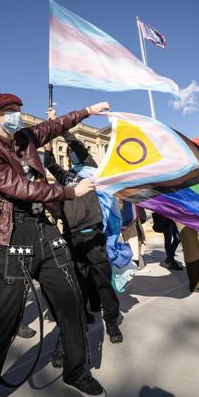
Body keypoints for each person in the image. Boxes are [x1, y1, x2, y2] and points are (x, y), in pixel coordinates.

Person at [0, 94, 110, 397]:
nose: (17, 117)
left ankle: (76, 370)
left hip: (44, 228)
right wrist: (68, 191)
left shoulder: (27, 138)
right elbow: (19, 189)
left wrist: (87, 111)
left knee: (71, 299)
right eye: (10, 112)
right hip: (11, 235)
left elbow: (56, 124)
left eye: (19, 111)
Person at [42, 117, 122, 344]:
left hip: (93, 234)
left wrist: (60, 126)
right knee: (77, 282)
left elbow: (76, 144)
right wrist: (48, 139)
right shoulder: (66, 177)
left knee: (103, 282)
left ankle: (112, 322)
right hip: (71, 236)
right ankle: (81, 316)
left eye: (74, 152)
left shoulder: (92, 171)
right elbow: (49, 162)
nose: (72, 154)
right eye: (69, 154)